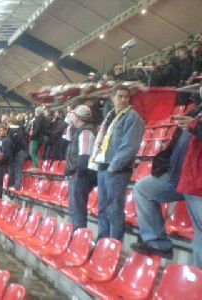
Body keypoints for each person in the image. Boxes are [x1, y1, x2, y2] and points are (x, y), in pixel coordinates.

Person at [131, 108, 202, 268]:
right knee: (143, 189)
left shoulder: (194, 120)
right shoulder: (195, 111)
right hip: (177, 176)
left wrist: (195, 127)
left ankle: (198, 284)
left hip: (197, 183)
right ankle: (158, 243)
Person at [89, 84, 145, 241]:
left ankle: (113, 245)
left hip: (117, 169)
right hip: (103, 166)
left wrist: (114, 167)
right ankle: (102, 241)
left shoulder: (133, 117)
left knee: (114, 209)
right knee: (102, 207)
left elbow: (130, 146)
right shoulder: (110, 116)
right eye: (119, 96)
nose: (123, 99)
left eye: (126, 97)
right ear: (112, 98)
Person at [67, 105, 97, 229]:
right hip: (79, 174)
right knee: (75, 208)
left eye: (74, 115)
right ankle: (77, 235)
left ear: (78, 117)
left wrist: (78, 173)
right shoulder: (80, 130)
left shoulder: (86, 131)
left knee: (78, 209)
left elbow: (84, 156)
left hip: (82, 176)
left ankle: (79, 237)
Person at [7, 117, 28, 190]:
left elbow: (16, 142)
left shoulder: (13, 130)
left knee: (18, 169)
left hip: (19, 151)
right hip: (21, 150)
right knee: (16, 169)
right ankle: (15, 185)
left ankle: (17, 186)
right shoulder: (20, 129)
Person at [29, 106, 46, 170]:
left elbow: (37, 128)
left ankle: (36, 166)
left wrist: (32, 136)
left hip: (36, 138)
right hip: (41, 138)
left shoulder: (37, 118)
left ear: (37, 112)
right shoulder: (44, 119)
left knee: (33, 152)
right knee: (36, 152)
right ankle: (35, 166)